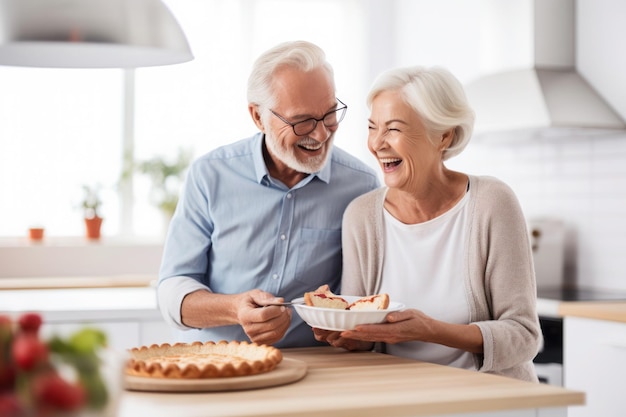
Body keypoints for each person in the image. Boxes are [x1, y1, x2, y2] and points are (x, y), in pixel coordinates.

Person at [313, 66, 541, 381]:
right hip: (401, 400)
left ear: (442, 135)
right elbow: (362, 337)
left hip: (487, 399)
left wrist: (430, 330)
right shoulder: (361, 216)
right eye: (372, 127)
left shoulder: (491, 202)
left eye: (393, 129)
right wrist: (344, 333)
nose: (377, 143)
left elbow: (524, 336)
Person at [157, 40, 380, 348]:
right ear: (258, 117)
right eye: (302, 122)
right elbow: (172, 293)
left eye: (329, 114)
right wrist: (234, 309)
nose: (320, 134)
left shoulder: (362, 186)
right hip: (217, 363)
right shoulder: (210, 175)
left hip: (316, 368)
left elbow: (363, 298)